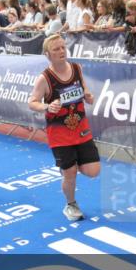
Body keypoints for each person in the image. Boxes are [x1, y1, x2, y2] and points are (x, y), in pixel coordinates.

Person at [27, 34, 100, 222]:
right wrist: (47, 106)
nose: (61, 51)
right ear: (47, 54)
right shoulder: (44, 78)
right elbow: (32, 102)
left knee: (93, 171)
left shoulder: (76, 68)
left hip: (81, 128)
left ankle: (70, 166)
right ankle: (71, 204)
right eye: (56, 49)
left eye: (62, 47)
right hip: (59, 134)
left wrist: (88, 96)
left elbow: (84, 89)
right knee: (70, 173)